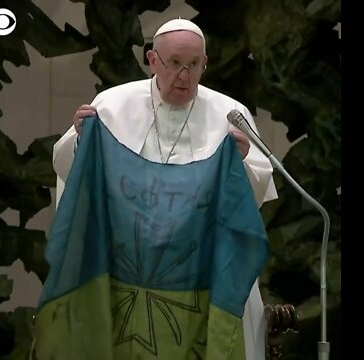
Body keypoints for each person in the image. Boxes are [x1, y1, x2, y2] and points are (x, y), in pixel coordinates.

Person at [50, 18, 278, 360]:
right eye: (174, 64)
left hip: (206, 265)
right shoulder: (112, 105)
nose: (183, 76)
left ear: (205, 64)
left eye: (193, 65)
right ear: (152, 59)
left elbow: (255, 196)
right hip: (124, 267)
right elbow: (73, 173)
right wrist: (84, 141)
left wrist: (242, 163)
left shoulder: (231, 115)